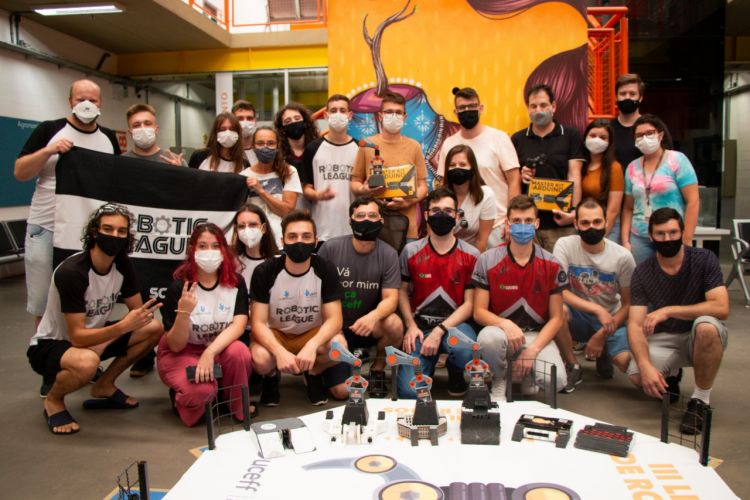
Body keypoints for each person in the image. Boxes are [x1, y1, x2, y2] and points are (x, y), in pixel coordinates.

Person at [26, 203, 163, 434]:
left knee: (153, 328)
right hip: (53, 344)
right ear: (94, 232)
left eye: (121, 231)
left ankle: (104, 385)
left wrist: (130, 324)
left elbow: (139, 313)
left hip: (93, 338)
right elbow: (77, 337)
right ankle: (54, 400)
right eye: (108, 229)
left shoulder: (122, 264)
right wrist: (121, 328)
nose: (114, 236)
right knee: (87, 362)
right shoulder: (73, 272)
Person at [15, 79, 120, 329]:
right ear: (70, 101)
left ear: (100, 103)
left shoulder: (108, 137)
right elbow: (20, 172)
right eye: (81, 99)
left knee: (84, 298)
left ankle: (81, 348)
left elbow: (117, 179)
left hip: (88, 233)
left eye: (92, 100)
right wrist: (48, 151)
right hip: (47, 228)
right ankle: (46, 347)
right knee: (43, 302)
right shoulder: (49, 130)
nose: (87, 104)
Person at [627, 208, 729, 435]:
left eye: (673, 232)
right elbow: (634, 324)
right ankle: (671, 376)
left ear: (682, 232)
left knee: (706, 328)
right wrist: (645, 366)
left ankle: (700, 401)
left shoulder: (704, 259)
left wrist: (668, 311)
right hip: (666, 337)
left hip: (698, 333)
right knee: (637, 375)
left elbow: (722, 308)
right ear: (651, 236)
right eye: (660, 233)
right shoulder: (642, 272)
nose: (667, 239)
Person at [157, 223, 253, 427]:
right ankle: (186, 398)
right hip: (183, 352)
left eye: (215, 246)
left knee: (240, 352)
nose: (209, 252)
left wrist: (210, 353)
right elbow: (175, 345)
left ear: (224, 250)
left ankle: (235, 403)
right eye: (202, 246)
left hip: (217, 347)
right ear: (192, 250)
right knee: (201, 392)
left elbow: (239, 325)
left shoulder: (236, 282)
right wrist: (184, 313)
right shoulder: (179, 287)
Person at [473, 195, 568, 402]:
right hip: (500, 332)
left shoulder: (552, 264)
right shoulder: (487, 260)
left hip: (535, 335)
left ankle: (525, 373)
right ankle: (499, 379)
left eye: (528, 221)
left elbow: (557, 318)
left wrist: (533, 350)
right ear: (507, 223)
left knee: (557, 381)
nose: (522, 226)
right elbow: (478, 312)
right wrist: (504, 324)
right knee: (488, 339)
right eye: (516, 221)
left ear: (537, 223)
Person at [250, 210, 349, 406]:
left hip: (311, 332)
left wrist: (312, 345)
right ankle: (271, 376)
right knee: (261, 359)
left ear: (316, 241)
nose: (299, 242)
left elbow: (335, 319)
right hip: (277, 332)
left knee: (339, 346)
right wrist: (279, 351)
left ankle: (313, 372)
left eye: (306, 236)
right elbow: (258, 323)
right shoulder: (265, 271)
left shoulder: (326, 269)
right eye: (292, 237)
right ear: (283, 241)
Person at [318, 196, 404, 397]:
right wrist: (332, 327)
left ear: (381, 221)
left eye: (372, 216)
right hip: (334, 327)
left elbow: (391, 298)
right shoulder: (330, 248)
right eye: (360, 215)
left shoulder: (389, 254)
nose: (366, 220)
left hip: (368, 326)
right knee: (342, 392)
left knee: (394, 324)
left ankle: (377, 370)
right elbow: (315, 293)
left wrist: (372, 317)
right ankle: (321, 371)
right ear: (350, 221)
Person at [398, 188, 479, 398]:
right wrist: (410, 325)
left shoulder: (472, 255)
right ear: (426, 215)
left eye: (448, 211)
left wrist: (439, 331)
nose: (441, 215)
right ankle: (428, 364)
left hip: (456, 328)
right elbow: (401, 292)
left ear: (457, 216)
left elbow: (470, 304)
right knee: (409, 392)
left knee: (463, 349)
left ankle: (455, 370)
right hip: (420, 328)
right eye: (435, 210)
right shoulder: (410, 251)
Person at [553, 198, 636, 390]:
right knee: (558, 309)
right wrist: (596, 309)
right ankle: (572, 364)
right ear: (576, 224)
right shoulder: (564, 245)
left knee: (627, 364)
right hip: (579, 315)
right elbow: (560, 291)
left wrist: (602, 334)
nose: (592, 227)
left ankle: (605, 350)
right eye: (585, 222)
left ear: (606, 223)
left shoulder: (623, 257)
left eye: (597, 222)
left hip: (611, 319)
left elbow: (628, 304)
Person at [437, 87, 520, 245]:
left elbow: (514, 180)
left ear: (480, 108)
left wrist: (513, 219)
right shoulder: (449, 143)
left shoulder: (499, 138)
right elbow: (444, 184)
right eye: (462, 108)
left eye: (472, 106)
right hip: (461, 228)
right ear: (455, 112)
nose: (467, 111)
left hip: (497, 225)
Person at [512, 84, 585, 252]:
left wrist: (574, 212)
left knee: (560, 267)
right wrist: (522, 175)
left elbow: (574, 174)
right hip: (528, 224)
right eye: (533, 106)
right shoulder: (517, 139)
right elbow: (512, 180)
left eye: (543, 105)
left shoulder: (571, 135)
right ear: (528, 109)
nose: (538, 110)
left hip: (561, 223)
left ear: (553, 106)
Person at [351, 91, 429, 243]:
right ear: (380, 116)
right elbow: (355, 182)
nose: (394, 116)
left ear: (404, 117)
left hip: (407, 228)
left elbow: (423, 186)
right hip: (373, 225)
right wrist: (364, 190)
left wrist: (407, 202)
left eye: (398, 112)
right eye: (389, 112)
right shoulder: (367, 145)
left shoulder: (414, 146)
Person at [621, 114, 699, 264]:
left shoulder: (677, 160)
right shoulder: (632, 167)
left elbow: (693, 201)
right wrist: (625, 241)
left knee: (673, 275)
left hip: (671, 235)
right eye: (639, 135)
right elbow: (628, 208)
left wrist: (687, 238)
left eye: (649, 133)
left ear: (660, 135)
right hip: (640, 236)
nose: (644, 138)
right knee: (642, 276)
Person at [300, 94, 358, 242]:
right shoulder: (313, 148)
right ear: (326, 115)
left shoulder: (360, 148)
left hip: (352, 229)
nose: (338, 114)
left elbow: (363, 187)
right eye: (333, 110)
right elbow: (306, 188)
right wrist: (319, 195)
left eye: (342, 110)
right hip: (321, 231)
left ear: (350, 115)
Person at [240, 126, 303, 247]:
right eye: (260, 143)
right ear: (253, 146)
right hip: (253, 242)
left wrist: (261, 191)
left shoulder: (289, 171)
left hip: (280, 240)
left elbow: (287, 211)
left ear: (277, 146)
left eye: (270, 143)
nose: (265, 147)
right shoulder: (244, 176)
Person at [442, 144, 497, 252]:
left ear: (472, 168)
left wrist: (473, 261)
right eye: (452, 165)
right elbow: (433, 237)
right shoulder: (439, 197)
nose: (457, 168)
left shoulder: (486, 195)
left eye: (462, 164)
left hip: (473, 253)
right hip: (444, 251)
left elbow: (482, 240)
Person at [581, 119, 624, 243]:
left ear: (609, 142)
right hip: (583, 223)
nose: (597, 140)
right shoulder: (579, 165)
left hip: (607, 225)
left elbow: (614, 209)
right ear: (585, 138)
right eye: (593, 135)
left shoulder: (614, 168)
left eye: (603, 137)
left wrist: (601, 235)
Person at [232, 202, 279, 296]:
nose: (247, 230)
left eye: (253, 225)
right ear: (236, 230)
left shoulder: (277, 263)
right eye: (241, 226)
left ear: (263, 228)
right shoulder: (232, 263)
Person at [274, 102, 320, 178]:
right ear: (282, 128)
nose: (293, 122)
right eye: (288, 121)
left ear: (305, 122)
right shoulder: (278, 154)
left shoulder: (318, 148)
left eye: (297, 118)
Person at [611, 74, 645, 170]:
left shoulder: (653, 127)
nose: (627, 97)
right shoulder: (608, 129)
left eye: (632, 94)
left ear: (640, 98)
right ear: (616, 97)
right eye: (622, 94)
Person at [232, 99, 258, 165]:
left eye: (249, 118)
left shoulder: (262, 149)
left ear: (255, 121)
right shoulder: (227, 151)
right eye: (240, 118)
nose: (245, 122)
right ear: (232, 121)